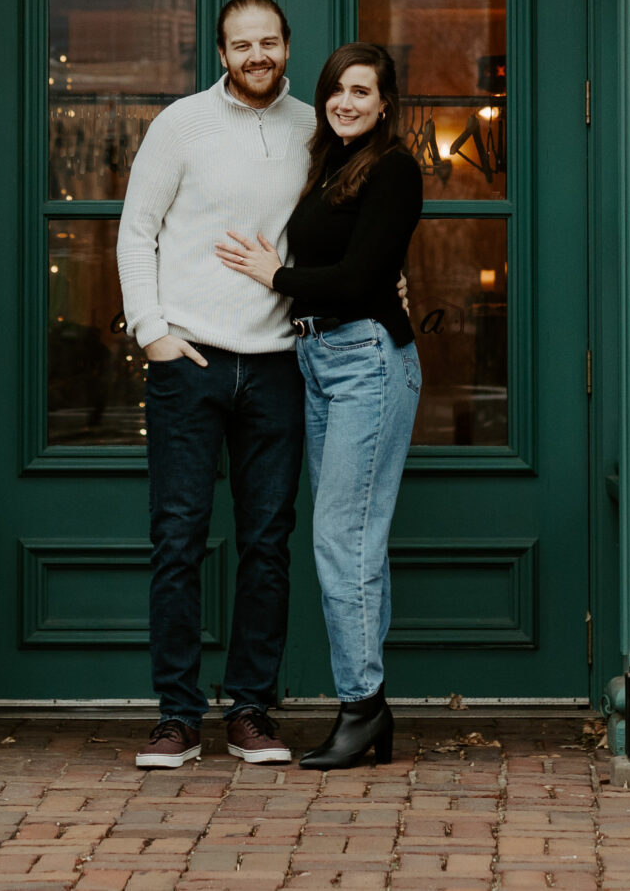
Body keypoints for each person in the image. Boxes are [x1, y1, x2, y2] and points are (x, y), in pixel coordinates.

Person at [116, 0, 311, 769]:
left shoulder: (311, 127)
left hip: (279, 364)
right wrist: (153, 333)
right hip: (189, 362)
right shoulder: (181, 124)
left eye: (269, 41)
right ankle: (176, 715)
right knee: (178, 539)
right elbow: (137, 228)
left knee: (267, 542)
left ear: (286, 45)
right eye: (242, 43)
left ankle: (251, 710)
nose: (257, 54)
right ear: (222, 52)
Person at [217, 41, 423, 770]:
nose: (346, 102)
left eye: (362, 92)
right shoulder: (333, 162)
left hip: (366, 359)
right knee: (348, 534)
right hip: (320, 358)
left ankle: (362, 707)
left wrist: (276, 273)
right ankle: (369, 710)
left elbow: (364, 275)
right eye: (338, 89)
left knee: (344, 536)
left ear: (386, 102)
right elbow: (348, 267)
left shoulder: (395, 168)